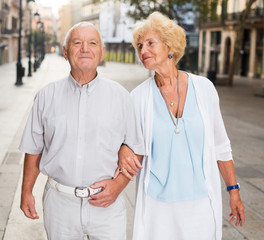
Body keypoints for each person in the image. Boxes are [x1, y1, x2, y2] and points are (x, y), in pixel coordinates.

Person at [117, 12, 245, 240]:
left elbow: (221, 146)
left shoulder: (204, 89)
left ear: (170, 47)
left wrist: (233, 191)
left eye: (150, 43)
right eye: (139, 45)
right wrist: (123, 147)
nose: (143, 50)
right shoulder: (137, 98)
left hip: (201, 203)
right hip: (158, 206)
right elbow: (128, 143)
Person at [19, 22, 144, 240]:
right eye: (77, 43)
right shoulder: (46, 96)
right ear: (65, 53)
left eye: (92, 43)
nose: (85, 49)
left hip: (107, 206)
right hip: (59, 204)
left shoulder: (122, 97)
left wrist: (118, 185)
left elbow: (137, 148)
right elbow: (33, 150)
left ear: (102, 52)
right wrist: (26, 191)